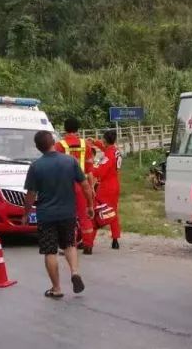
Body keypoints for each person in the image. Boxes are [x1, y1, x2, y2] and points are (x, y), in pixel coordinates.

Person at [23, 130, 95, 299]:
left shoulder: (36, 166)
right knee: (70, 245)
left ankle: (56, 288)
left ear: (38, 147)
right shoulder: (70, 161)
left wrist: (26, 213)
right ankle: (75, 272)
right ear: (53, 142)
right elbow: (85, 186)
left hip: (46, 215)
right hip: (68, 213)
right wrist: (90, 205)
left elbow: (30, 195)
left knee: (50, 251)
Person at [55, 119, 95, 255]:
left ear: (65, 129)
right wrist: (91, 187)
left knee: (68, 216)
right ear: (78, 129)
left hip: (65, 185)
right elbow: (90, 170)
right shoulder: (86, 145)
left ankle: (69, 245)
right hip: (82, 183)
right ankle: (88, 244)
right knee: (85, 215)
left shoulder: (59, 146)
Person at [91, 129, 123, 250]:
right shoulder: (115, 151)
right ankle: (115, 239)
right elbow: (105, 148)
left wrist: (89, 168)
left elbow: (100, 172)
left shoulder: (108, 155)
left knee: (97, 212)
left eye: (102, 139)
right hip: (115, 184)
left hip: (106, 187)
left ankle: (89, 242)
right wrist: (94, 142)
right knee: (113, 211)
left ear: (105, 139)